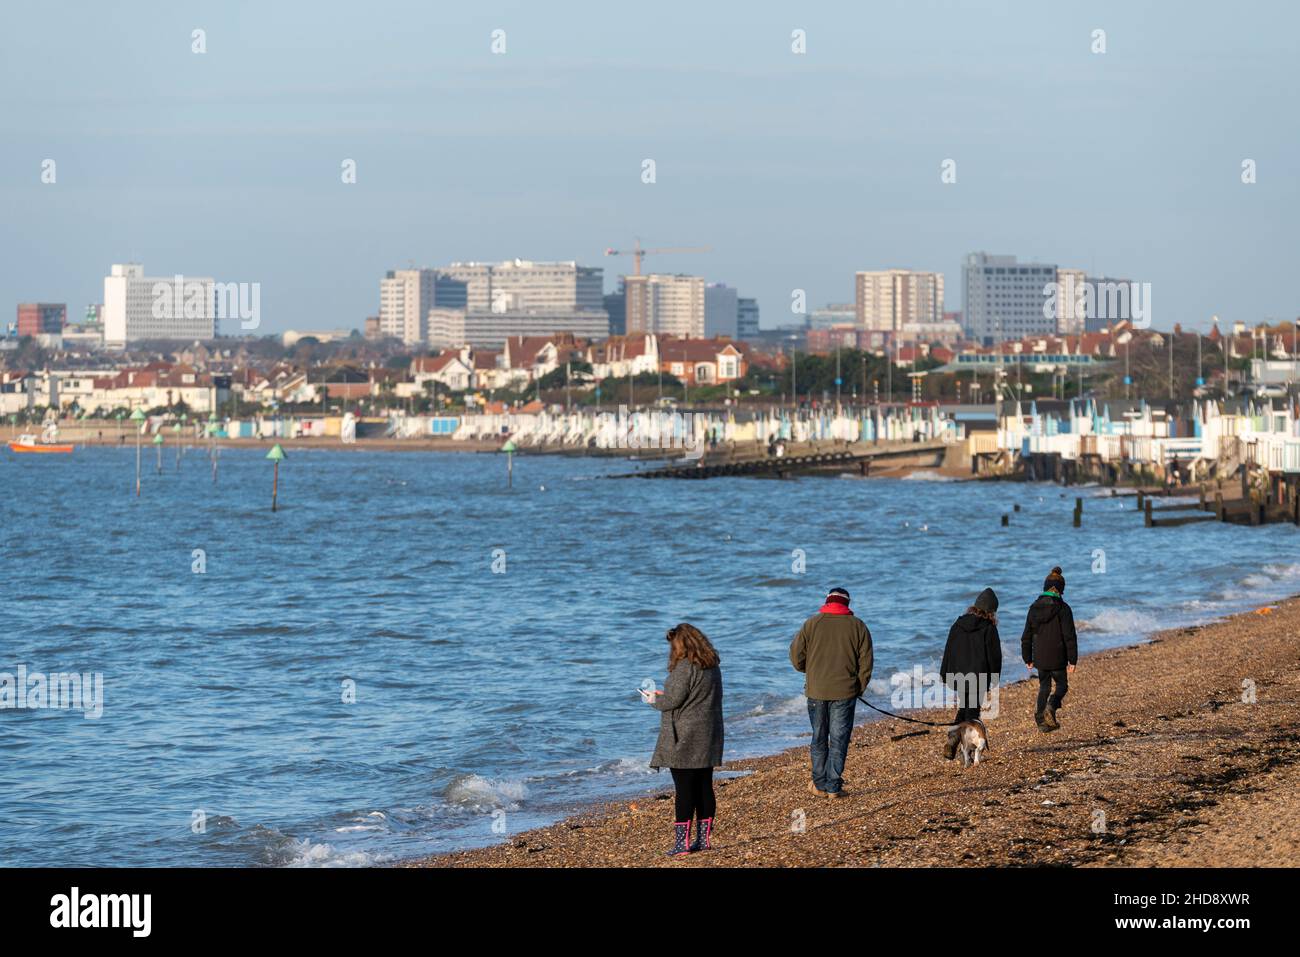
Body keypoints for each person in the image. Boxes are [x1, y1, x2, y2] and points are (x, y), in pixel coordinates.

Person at [642, 623, 724, 856]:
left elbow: (671, 702)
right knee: (704, 787)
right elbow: (690, 697)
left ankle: (681, 845)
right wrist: (665, 696)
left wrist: (652, 699)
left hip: (685, 737)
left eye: (674, 645)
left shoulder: (685, 668)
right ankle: (704, 840)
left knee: (685, 790)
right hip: (708, 733)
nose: (672, 650)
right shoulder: (712, 666)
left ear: (682, 645)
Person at [789, 587, 873, 798]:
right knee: (839, 739)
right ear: (847, 604)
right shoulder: (858, 626)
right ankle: (833, 787)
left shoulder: (812, 623)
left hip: (816, 690)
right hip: (845, 692)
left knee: (818, 737)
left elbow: (796, 656)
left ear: (827, 602)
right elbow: (866, 664)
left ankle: (819, 784)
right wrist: (859, 688)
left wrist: (810, 671)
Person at [939, 588, 1002, 760]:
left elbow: (948, 650)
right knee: (972, 713)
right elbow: (994, 656)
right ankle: (966, 749)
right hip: (978, 677)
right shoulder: (989, 628)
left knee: (965, 707)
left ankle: (953, 739)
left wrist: (944, 672)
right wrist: (995, 677)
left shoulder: (958, 624)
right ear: (991, 611)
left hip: (958, 675)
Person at [1021, 566, 1078, 732]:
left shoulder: (1033, 607)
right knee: (1062, 686)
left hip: (1040, 658)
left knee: (1044, 687)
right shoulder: (1064, 608)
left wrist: (1028, 657)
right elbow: (1070, 636)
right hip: (1058, 657)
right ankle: (1051, 707)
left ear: (1045, 587)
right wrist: (1072, 660)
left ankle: (1041, 722)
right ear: (1061, 590)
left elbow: (1026, 635)